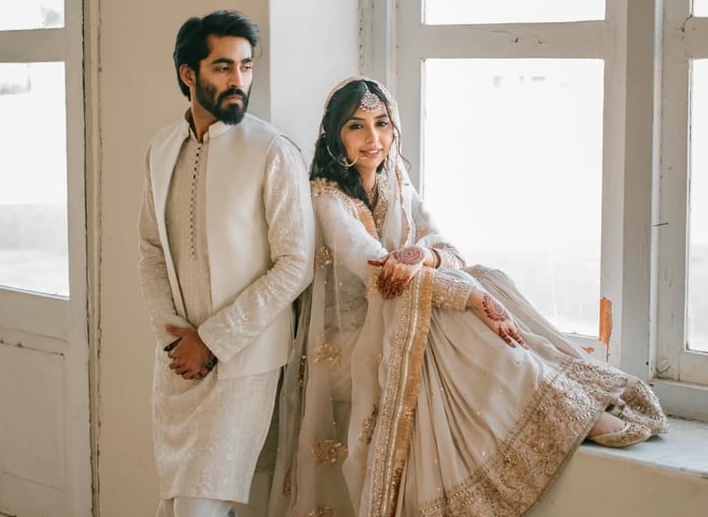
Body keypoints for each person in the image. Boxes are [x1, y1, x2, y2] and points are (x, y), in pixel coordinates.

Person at [270, 77, 668, 517]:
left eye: (382, 123)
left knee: (485, 278)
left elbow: (447, 248)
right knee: (459, 305)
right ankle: (557, 406)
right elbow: (380, 274)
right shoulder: (327, 197)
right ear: (335, 134)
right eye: (356, 126)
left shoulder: (394, 180)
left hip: (397, 315)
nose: (373, 139)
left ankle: (554, 397)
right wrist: (471, 299)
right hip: (349, 338)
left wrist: (424, 255)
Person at [138, 10, 315, 517]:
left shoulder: (272, 151)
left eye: (246, 66)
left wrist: (211, 341)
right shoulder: (161, 148)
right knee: (174, 507)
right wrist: (173, 337)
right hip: (177, 365)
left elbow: (295, 263)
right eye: (223, 67)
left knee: (197, 509)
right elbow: (150, 248)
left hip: (244, 363)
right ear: (188, 73)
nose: (239, 79)